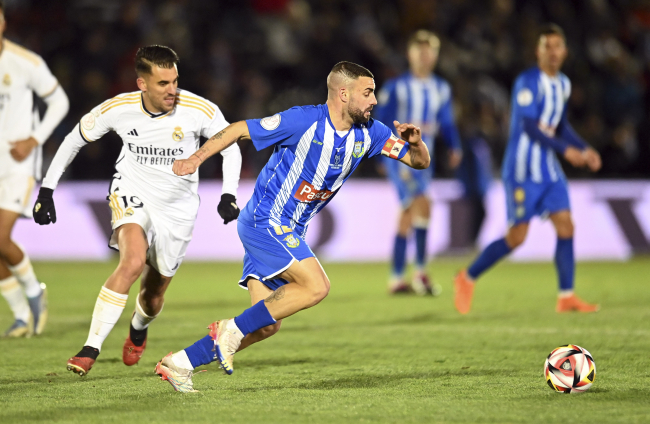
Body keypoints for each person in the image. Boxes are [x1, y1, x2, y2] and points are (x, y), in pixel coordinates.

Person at [153, 61, 431, 393]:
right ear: (343, 93)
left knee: (267, 324)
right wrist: (195, 160)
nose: (374, 100)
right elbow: (239, 128)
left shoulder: (371, 132)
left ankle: (180, 363)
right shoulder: (303, 120)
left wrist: (416, 143)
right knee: (317, 286)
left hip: (287, 231)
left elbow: (419, 162)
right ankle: (229, 329)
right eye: (367, 93)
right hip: (265, 221)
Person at [32, 45, 242, 376]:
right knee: (131, 262)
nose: (172, 90)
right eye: (163, 84)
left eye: (175, 81)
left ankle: (139, 327)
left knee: (153, 295)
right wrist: (46, 190)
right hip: (131, 193)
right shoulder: (118, 108)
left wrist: (228, 194)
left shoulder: (198, 109)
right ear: (142, 84)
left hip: (178, 209)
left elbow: (230, 147)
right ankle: (90, 348)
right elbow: (74, 140)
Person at [454, 24, 602, 314]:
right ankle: (467, 277)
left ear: (565, 51)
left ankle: (566, 296)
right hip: (522, 170)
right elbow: (530, 126)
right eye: (547, 46)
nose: (553, 51)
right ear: (538, 51)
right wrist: (565, 150)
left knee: (566, 225)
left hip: (549, 170)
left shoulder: (564, 84)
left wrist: (584, 148)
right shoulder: (527, 82)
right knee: (517, 237)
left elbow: (560, 125)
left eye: (557, 46)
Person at [374, 30, 462, 295]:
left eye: (429, 52)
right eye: (419, 52)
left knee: (409, 214)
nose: (424, 57)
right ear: (410, 55)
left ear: (435, 55)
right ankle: (421, 273)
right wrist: (380, 152)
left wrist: (455, 145)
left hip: (425, 159)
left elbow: (446, 121)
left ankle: (397, 278)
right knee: (423, 204)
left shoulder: (441, 88)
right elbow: (380, 120)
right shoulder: (396, 87)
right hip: (399, 157)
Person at [0, 0, 69, 337]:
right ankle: (21, 315)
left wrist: (34, 139)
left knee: (0, 237)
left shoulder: (25, 62)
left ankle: (33, 295)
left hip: (18, 164)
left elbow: (60, 102)